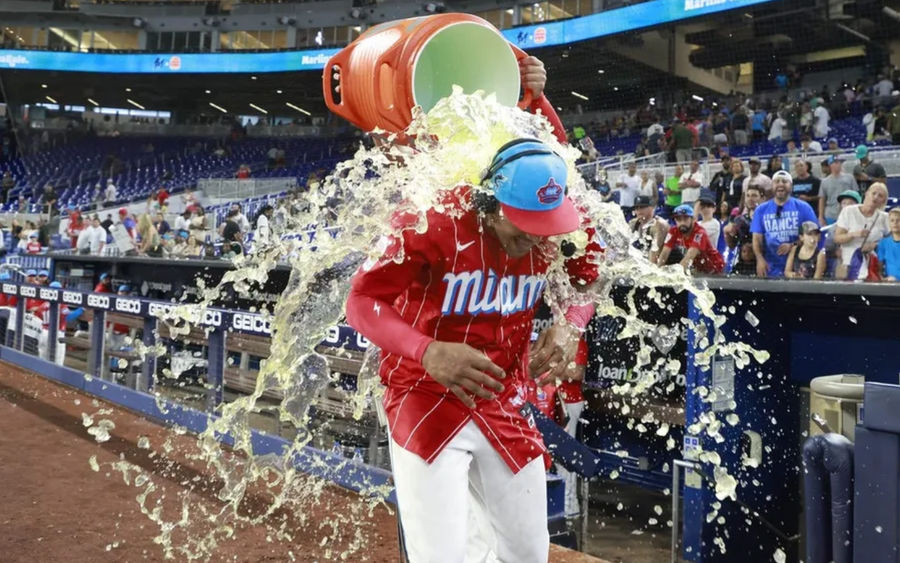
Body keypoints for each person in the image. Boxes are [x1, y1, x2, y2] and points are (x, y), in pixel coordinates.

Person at [345, 136, 598, 563]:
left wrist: (570, 325)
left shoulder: (559, 226)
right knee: (441, 557)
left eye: (548, 224)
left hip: (504, 396)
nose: (539, 238)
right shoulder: (430, 218)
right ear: (493, 203)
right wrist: (426, 350)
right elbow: (361, 301)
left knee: (528, 555)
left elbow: (587, 286)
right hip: (424, 395)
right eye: (527, 225)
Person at [751, 171, 818, 278]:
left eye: (784, 181)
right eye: (777, 181)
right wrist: (759, 259)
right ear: (772, 186)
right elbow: (756, 239)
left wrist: (792, 245)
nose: (780, 184)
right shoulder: (761, 210)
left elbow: (814, 237)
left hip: (798, 267)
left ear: (791, 186)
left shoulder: (804, 208)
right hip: (770, 267)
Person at [833, 182, 890, 280]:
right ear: (867, 193)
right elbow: (837, 238)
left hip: (872, 261)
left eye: (880, 196)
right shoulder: (848, 211)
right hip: (850, 259)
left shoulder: (885, 217)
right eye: (874, 193)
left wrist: (876, 245)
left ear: (883, 201)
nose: (875, 197)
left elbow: (894, 240)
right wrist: (854, 234)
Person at [656, 204, 724, 274]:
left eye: (685, 219)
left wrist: (676, 275)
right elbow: (664, 253)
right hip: (696, 266)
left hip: (714, 268)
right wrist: (657, 271)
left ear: (693, 219)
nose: (682, 222)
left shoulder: (700, 233)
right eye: (678, 219)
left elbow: (689, 256)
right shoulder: (674, 231)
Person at [818, 156, 859, 225]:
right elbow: (822, 199)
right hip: (831, 214)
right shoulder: (824, 181)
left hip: (848, 212)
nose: (839, 165)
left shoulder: (849, 178)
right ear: (830, 165)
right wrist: (821, 217)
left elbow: (856, 195)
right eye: (836, 163)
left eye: (840, 163)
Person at [629, 195, 668, 263]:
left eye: (642, 207)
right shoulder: (634, 223)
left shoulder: (659, 225)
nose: (639, 210)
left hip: (668, 263)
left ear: (652, 208)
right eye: (636, 208)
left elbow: (654, 253)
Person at [876, 208, 900, 281]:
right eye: (892, 220)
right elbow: (878, 270)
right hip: (891, 284)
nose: (895, 223)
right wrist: (884, 279)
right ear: (889, 223)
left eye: (898, 220)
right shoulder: (883, 243)